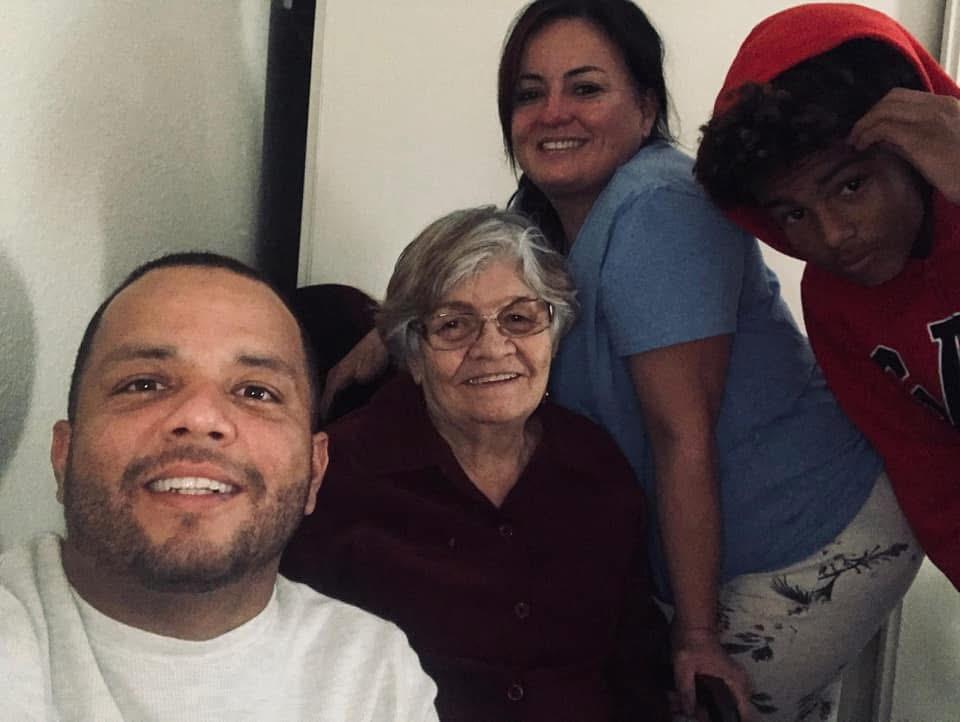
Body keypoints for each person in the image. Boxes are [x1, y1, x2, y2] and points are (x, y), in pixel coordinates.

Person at [319, 2, 922, 719]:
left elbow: (681, 434)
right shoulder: (556, 217)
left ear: (646, 107)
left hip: (803, 532)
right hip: (732, 540)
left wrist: (695, 636)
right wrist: (391, 329)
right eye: (529, 93)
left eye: (586, 87)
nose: (553, 112)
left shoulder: (655, 206)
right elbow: (480, 271)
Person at [0, 252, 439, 722]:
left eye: (256, 392)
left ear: (315, 470)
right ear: (63, 455)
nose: (200, 417)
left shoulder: (375, 673)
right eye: (144, 384)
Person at [282, 207, 671, 722]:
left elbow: (636, 667)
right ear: (413, 355)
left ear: (553, 335)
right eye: (453, 325)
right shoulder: (336, 476)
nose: (492, 348)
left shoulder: (595, 465)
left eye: (519, 318)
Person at [695, 3, 960, 591]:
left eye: (851, 185)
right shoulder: (835, 301)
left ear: (911, 150)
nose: (834, 235)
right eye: (794, 214)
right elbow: (933, 479)